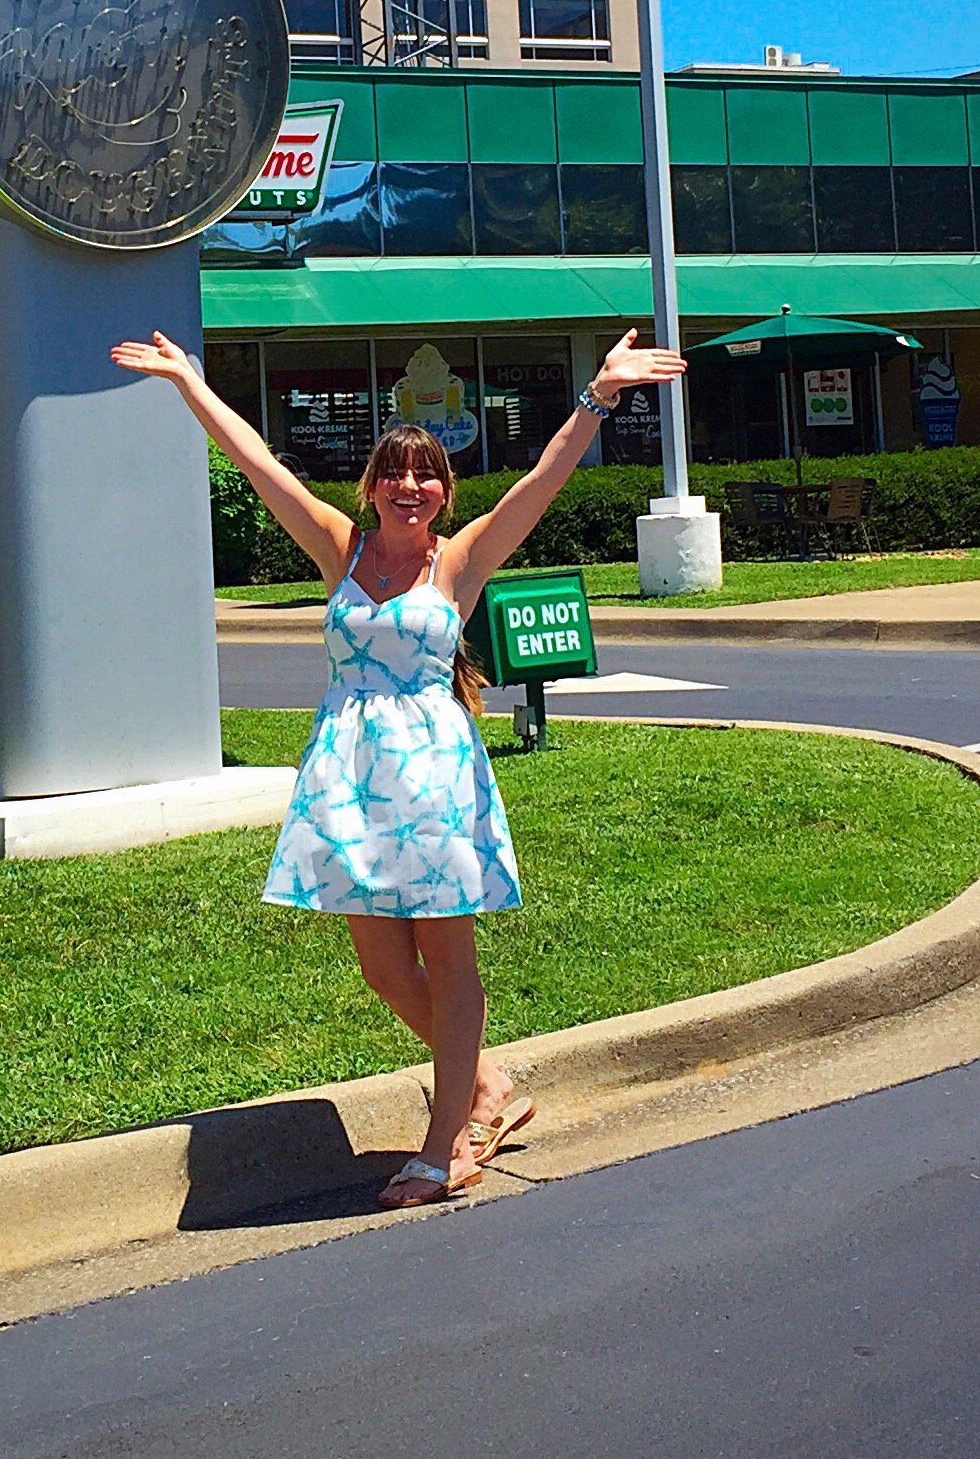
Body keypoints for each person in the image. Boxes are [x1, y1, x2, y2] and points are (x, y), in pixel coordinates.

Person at [107, 327, 688, 1208]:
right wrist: (191, 384)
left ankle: (446, 1143)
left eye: (426, 475)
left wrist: (598, 395)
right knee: (382, 965)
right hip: (348, 779)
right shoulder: (341, 550)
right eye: (394, 472)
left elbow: (542, 479)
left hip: (435, 783)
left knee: (448, 959)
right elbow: (259, 460)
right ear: (373, 486)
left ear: (444, 494)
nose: (409, 486)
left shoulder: (457, 564)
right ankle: (486, 1087)